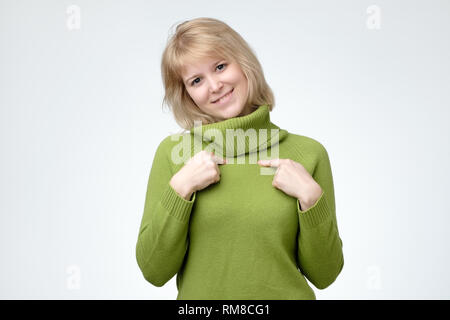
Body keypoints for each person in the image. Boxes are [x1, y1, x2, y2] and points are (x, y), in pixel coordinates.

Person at [135, 17, 344, 300]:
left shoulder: (308, 153)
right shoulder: (174, 154)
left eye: (220, 66)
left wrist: (311, 199)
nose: (214, 86)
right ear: (187, 94)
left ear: (243, 63)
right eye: (196, 80)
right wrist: (180, 190)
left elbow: (325, 274)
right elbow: (153, 270)